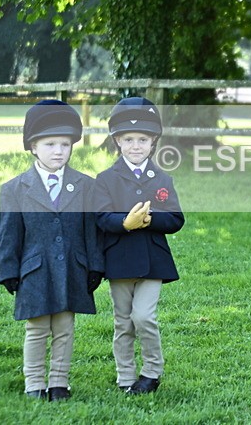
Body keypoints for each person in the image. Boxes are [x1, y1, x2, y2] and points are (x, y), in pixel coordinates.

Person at [0, 99, 103, 401]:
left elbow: (91, 230)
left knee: (65, 328)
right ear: (33, 147)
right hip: (34, 271)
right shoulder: (15, 189)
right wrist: (7, 270)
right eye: (50, 144)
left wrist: (95, 265)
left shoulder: (85, 185)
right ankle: (34, 384)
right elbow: (8, 234)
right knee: (37, 328)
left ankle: (58, 383)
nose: (59, 151)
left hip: (72, 268)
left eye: (65, 145)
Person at [94, 97, 184, 395]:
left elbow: (175, 219)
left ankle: (152, 372)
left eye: (142, 139)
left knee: (143, 316)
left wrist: (148, 220)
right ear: (117, 142)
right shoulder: (105, 179)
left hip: (151, 263)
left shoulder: (162, 178)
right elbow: (101, 217)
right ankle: (125, 377)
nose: (136, 146)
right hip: (118, 261)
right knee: (123, 323)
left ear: (153, 141)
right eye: (128, 139)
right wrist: (124, 223)